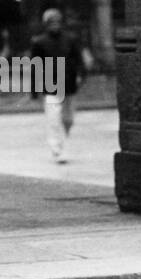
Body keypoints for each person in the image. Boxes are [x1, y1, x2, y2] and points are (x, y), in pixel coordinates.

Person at [29, 8, 85, 163]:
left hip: (69, 85)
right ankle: (57, 149)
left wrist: (81, 75)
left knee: (68, 119)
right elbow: (35, 67)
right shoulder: (39, 42)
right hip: (51, 86)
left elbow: (78, 60)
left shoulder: (71, 39)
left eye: (57, 22)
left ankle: (63, 142)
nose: (55, 25)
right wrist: (35, 90)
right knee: (53, 119)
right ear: (46, 24)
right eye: (51, 22)